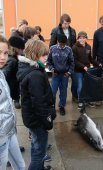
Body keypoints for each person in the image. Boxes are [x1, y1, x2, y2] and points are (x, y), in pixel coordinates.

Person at [17, 39, 56, 170]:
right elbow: (39, 103)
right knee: (39, 151)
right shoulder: (35, 75)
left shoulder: (32, 69)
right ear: (35, 55)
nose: (47, 57)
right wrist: (47, 121)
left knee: (36, 145)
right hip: (37, 120)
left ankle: (39, 167)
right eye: (44, 55)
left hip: (32, 118)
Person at [0, 35, 25, 170]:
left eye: (5, 53)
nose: (3, 57)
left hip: (10, 131)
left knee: (20, 165)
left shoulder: (1, 74)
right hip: (1, 137)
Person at [49, 13, 77, 101]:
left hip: (68, 56)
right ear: (61, 23)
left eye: (68, 23)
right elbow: (52, 44)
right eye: (65, 23)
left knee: (72, 80)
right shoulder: (55, 30)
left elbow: (74, 44)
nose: (67, 25)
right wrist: (53, 66)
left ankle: (74, 96)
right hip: (57, 58)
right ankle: (52, 104)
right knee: (54, 88)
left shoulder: (72, 31)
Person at [47, 34, 74, 115]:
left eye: (64, 44)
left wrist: (69, 72)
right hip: (55, 75)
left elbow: (72, 62)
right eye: (61, 44)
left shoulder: (69, 49)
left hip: (64, 75)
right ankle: (52, 107)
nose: (62, 46)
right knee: (53, 92)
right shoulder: (52, 48)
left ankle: (62, 106)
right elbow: (49, 62)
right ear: (58, 42)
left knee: (63, 92)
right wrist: (52, 69)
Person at [72, 31, 99, 109]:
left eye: (84, 38)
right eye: (80, 38)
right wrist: (83, 66)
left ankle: (87, 101)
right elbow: (74, 60)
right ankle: (80, 102)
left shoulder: (88, 47)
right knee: (80, 87)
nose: (82, 39)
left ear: (86, 38)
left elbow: (90, 58)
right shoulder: (74, 47)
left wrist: (97, 64)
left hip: (87, 70)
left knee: (87, 86)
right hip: (78, 71)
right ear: (78, 39)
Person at [3, 36, 25, 109]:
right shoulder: (12, 60)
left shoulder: (14, 57)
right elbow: (4, 75)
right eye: (22, 49)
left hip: (14, 86)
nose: (23, 51)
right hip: (11, 87)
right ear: (17, 49)